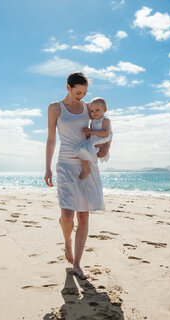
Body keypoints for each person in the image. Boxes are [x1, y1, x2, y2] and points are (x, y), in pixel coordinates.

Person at [44, 72, 111, 280]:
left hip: (86, 165)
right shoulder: (55, 108)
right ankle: (67, 241)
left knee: (83, 215)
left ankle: (77, 264)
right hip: (65, 165)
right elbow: (51, 139)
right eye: (78, 92)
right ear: (68, 88)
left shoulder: (89, 107)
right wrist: (47, 167)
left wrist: (106, 147)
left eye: (84, 92)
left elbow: (105, 128)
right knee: (67, 216)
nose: (81, 96)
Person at [75, 97, 112, 180]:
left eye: (97, 110)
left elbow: (106, 133)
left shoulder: (105, 120)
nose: (94, 113)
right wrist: (87, 133)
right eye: (92, 111)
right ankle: (86, 168)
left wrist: (91, 131)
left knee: (82, 149)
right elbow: (91, 135)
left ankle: (86, 169)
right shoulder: (93, 122)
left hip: (101, 142)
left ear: (105, 109)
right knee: (81, 151)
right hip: (94, 142)